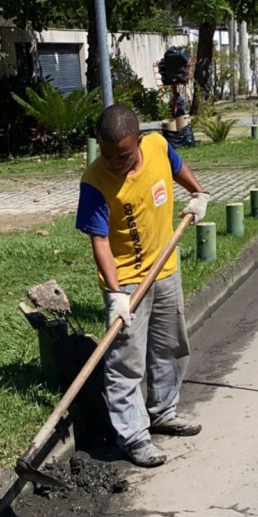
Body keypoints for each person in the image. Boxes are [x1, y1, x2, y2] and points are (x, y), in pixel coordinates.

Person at [75, 103, 210, 468]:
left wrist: (198, 194)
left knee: (170, 346)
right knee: (126, 362)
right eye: (106, 154)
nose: (114, 163)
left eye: (122, 155)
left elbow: (177, 167)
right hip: (127, 280)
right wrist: (116, 294)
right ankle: (133, 435)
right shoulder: (95, 182)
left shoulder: (157, 147)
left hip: (165, 266)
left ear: (138, 140)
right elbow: (99, 241)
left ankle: (163, 411)